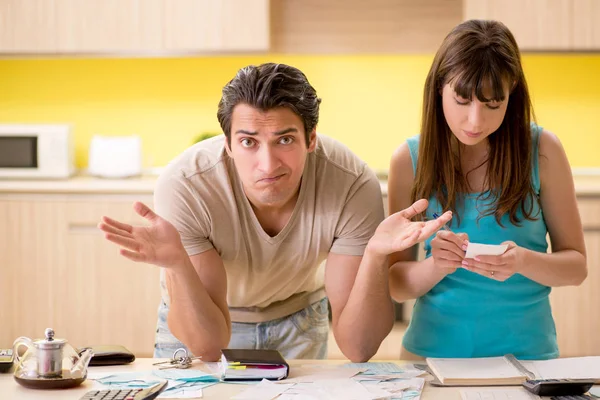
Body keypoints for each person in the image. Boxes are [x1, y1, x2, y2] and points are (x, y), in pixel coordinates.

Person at [99, 62, 451, 362]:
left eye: (284, 140)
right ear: (228, 144)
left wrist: (375, 254)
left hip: (297, 316)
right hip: (202, 321)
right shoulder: (187, 185)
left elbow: (358, 348)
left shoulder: (351, 183)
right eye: (249, 142)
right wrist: (177, 262)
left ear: (311, 139)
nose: (267, 165)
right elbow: (208, 346)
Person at [387, 19, 587, 360]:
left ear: (512, 93)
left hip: (528, 361)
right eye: (462, 100)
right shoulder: (409, 160)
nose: (475, 121)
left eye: (493, 104)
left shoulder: (542, 150)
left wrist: (522, 261)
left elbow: (577, 267)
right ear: (439, 88)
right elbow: (396, 284)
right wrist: (436, 266)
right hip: (430, 359)